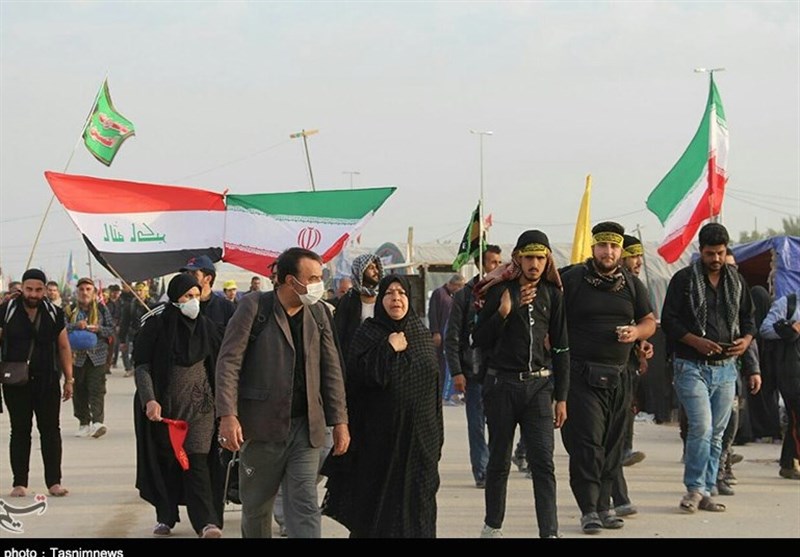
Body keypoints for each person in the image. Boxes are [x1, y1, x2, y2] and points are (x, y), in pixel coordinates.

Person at [215, 247, 350, 538]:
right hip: (262, 427)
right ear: (290, 281)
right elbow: (228, 363)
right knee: (257, 508)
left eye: (320, 278)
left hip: (306, 428)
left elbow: (332, 369)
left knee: (305, 504)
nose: (318, 284)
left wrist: (340, 421)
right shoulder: (254, 308)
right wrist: (228, 415)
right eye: (312, 278)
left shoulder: (318, 312)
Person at [321, 274, 443, 537]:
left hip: (421, 444)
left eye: (401, 293)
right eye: (389, 293)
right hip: (378, 445)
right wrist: (388, 348)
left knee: (419, 508)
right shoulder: (369, 333)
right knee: (378, 510)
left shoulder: (421, 335)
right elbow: (359, 378)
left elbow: (433, 391)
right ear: (381, 300)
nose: (396, 298)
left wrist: (436, 440)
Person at [471, 231, 569, 539]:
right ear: (518, 259)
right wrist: (504, 311)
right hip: (501, 386)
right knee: (499, 461)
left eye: (540, 258)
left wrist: (562, 397)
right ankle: (492, 526)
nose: (534, 264)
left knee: (543, 463)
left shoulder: (553, 295)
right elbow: (479, 339)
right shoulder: (500, 290)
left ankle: (549, 531)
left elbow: (561, 348)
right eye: (529, 257)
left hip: (538, 388)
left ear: (547, 260)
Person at [560, 221, 656, 534]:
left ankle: (605, 506)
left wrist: (637, 333)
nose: (609, 252)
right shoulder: (573, 279)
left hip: (620, 376)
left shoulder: (631, 284)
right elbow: (549, 306)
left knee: (612, 446)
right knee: (588, 444)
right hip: (581, 376)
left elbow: (649, 320)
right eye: (603, 245)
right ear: (593, 248)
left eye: (614, 246)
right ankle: (589, 509)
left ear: (620, 250)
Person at [661, 222, 759, 515]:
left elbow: (749, 320)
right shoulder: (683, 280)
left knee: (717, 433)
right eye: (709, 253)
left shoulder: (736, 281)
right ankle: (693, 489)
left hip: (726, 369)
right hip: (691, 366)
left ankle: (705, 490)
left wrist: (745, 341)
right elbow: (669, 321)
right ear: (700, 251)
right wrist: (696, 341)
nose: (715, 259)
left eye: (720, 253)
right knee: (701, 427)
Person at [133, 274, 223, 538]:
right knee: (168, 463)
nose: (193, 301)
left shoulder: (207, 327)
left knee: (197, 461)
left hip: (201, 407)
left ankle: (206, 522)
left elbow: (220, 366)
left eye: (196, 295)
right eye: (187, 296)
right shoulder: (156, 325)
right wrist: (150, 399)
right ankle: (166, 516)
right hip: (165, 409)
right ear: (175, 298)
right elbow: (142, 366)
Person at [1, 269, 74, 498]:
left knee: (50, 430)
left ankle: (54, 482)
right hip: (15, 381)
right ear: (22, 288)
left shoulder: (54, 313)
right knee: (20, 430)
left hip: (47, 380)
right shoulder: (7, 310)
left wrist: (69, 379)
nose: (33, 294)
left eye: (38, 289)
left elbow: (64, 346)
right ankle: (19, 483)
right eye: (29, 289)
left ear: (45, 290)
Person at [444, 244, 502, 489]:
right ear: (480, 264)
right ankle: (482, 470)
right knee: (476, 424)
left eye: (499, 262)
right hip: (474, 371)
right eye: (492, 262)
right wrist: (457, 371)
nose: (497, 267)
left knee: (499, 425)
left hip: (500, 371)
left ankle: (497, 468)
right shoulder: (465, 295)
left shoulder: (505, 291)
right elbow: (452, 337)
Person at [609, 234, 655, 518]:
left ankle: (614, 496)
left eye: (639, 256)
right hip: (594, 370)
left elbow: (644, 322)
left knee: (616, 429)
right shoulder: (599, 284)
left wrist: (641, 341)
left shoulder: (636, 287)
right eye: (633, 255)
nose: (637, 262)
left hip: (625, 369)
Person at [65, 277, 115, 439]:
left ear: (93, 292)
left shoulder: (101, 309)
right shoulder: (70, 310)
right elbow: (61, 329)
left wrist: (98, 329)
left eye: (88, 289)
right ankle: (83, 422)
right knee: (79, 390)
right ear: (77, 292)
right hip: (76, 357)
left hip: (97, 356)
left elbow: (111, 329)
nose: (84, 292)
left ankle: (98, 422)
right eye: (81, 289)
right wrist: (76, 326)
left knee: (97, 389)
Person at [759, 290, 800, 480]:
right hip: (791, 371)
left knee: (795, 420)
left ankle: (788, 463)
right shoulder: (788, 303)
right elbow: (765, 329)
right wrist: (791, 328)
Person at [333, 253, 385, 363]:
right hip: (354, 360)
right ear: (360, 272)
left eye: (376, 267)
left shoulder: (384, 298)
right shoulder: (348, 300)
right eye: (371, 268)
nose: (376, 271)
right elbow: (339, 335)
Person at [428, 273, 466, 400]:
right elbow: (433, 313)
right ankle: (439, 392)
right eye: (459, 286)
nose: (460, 289)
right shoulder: (439, 293)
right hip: (440, 334)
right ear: (453, 284)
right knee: (439, 364)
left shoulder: (454, 297)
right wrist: (435, 332)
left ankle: (448, 393)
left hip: (450, 335)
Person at [180, 255, 236, 339]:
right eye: (187, 273)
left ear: (208, 278)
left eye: (194, 274)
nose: (189, 278)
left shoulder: (226, 307)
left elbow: (234, 338)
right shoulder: (180, 305)